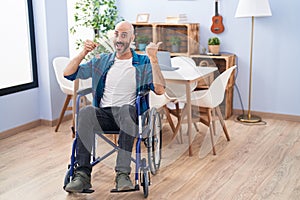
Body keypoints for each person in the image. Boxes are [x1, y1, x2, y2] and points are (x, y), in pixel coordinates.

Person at [63, 21, 165, 193]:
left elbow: (160, 89)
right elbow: (68, 73)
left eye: (124, 34)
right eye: (117, 34)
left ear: (132, 38)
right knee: (87, 112)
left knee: (126, 109)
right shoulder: (102, 60)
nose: (119, 38)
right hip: (104, 116)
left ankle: (123, 174)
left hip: (129, 116)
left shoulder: (142, 61)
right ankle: (82, 175)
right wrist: (84, 52)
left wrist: (154, 59)